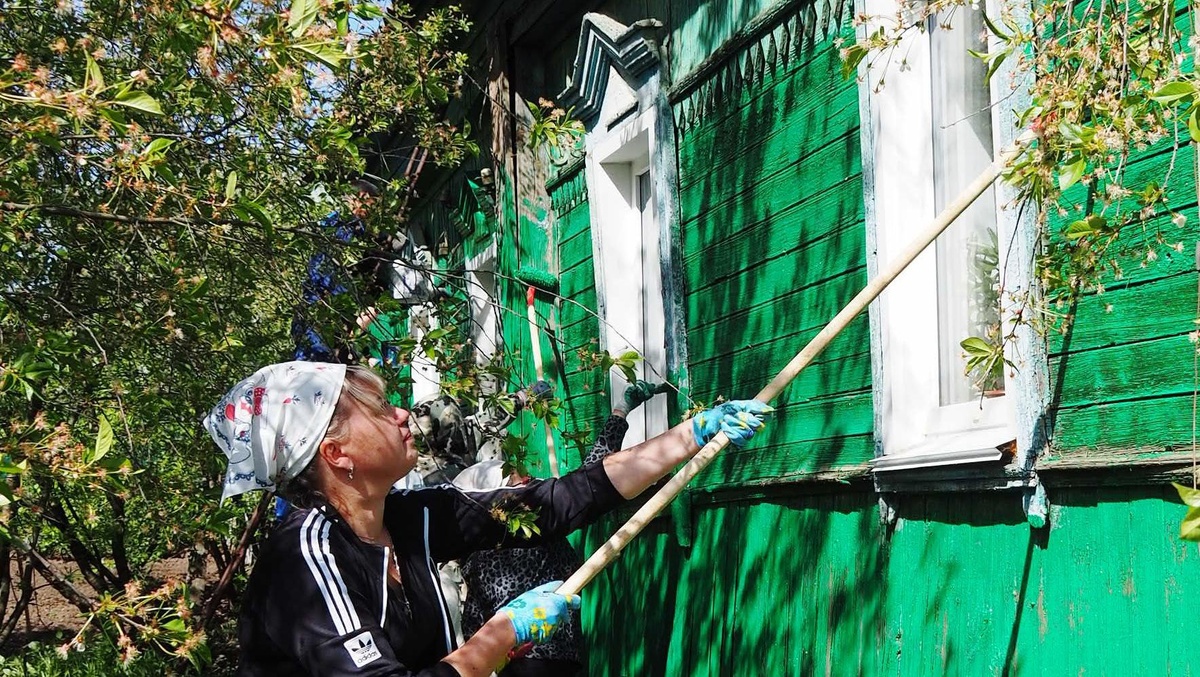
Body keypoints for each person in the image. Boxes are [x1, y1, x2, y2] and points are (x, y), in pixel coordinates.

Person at [204, 361, 770, 676]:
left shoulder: (410, 518)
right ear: (336, 454)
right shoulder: (306, 558)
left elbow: (560, 501)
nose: (401, 413)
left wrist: (693, 434)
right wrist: (501, 634)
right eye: (377, 410)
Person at [455, 380, 667, 677]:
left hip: (519, 664)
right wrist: (620, 413)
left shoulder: (475, 553)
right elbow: (591, 480)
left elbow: (472, 621)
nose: (527, 479)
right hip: (543, 662)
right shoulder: (525, 527)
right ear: (498, 496)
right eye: (515, 479)